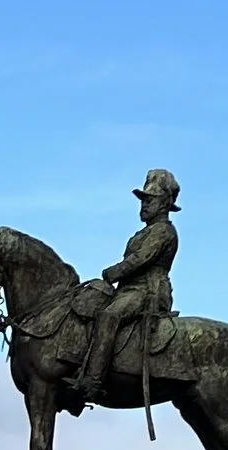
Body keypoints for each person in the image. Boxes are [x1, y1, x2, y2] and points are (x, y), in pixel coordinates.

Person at [77, 171, 181, 401]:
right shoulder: (144, 232)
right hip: (128, 289)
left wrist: (113, 272)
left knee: (108, 316)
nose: (144, 205)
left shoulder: (164, 231)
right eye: (143, 200)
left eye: (150, 200)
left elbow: (141, 259)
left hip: (148, 291)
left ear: (164, 204)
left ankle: (93, 382)